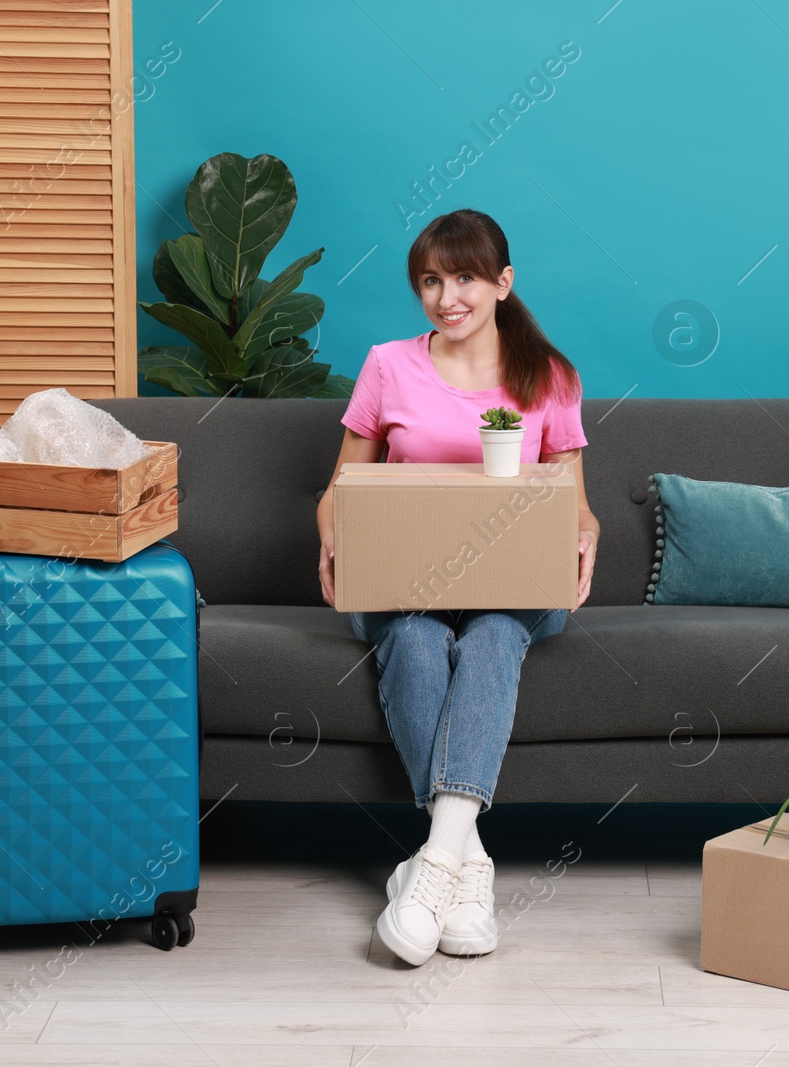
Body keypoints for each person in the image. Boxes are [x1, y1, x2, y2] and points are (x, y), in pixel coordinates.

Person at [315, 208, 600, 966]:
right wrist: (332, 530)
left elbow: (572, 499)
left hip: (513, 591)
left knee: (496, 631)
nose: (449, 296)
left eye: (466, 277)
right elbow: (344, 483)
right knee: (413, 636)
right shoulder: (388, 365)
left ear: (504, 283)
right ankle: (467, 865)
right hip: (407, 584)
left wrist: (587, 531)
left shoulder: (551, 376)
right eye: (432, 280)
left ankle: (430, 864)